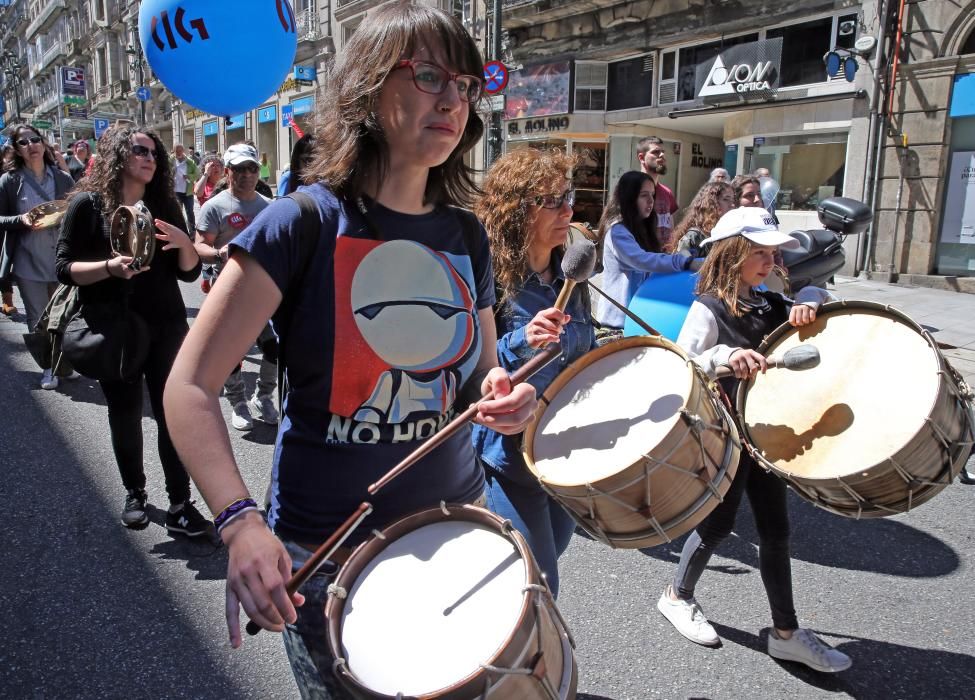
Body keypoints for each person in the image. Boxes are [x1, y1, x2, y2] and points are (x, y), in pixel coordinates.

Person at [163, 7, 537, 696]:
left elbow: (483, 370)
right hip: (329, 558)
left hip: (455, 528)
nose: (451, 98)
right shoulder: (298, 222)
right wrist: (238, 523)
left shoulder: (467, 235)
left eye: (465, 82)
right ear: (367, 87)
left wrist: (503, 394)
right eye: (427, 75)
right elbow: (187, 386)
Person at [658, 206, 852, 674]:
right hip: (726, 432)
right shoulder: (709, 307)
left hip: (767, 432)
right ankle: (677, 596)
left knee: (776, 530)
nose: (768, 263)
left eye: (772, 254)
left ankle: (786, 632)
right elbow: (685, 362)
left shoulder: (770, 301)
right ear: (732, 255)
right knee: (718, 525)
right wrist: (726, 355)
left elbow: (810, 298)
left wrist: (810, 297)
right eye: (759, 254)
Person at [55, 123, 209, 536]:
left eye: (154, 154)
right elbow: (64, 268)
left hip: (165, 326)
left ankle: (180, 503)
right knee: (124, 413)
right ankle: (135, 493)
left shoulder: (163, 205)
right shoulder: (88, 206)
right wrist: (108, 268)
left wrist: (185, 244)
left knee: (170, 415)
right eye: (141, 151)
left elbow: (190, 275)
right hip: (114, 326)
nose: (149, 159)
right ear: (118, 155)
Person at [472, 148, 594, 598]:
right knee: (540, 583)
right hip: (513, 454)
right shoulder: (493, 280)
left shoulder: (571, 280)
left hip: (565, 448)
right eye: (552, 200)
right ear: (516, 209)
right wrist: (523, 338)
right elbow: (476, 365)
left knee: (543, 556)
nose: (568, 210)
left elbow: (584, 351)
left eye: (568, 196)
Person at [194, 143, 277, 430]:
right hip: (227, 290)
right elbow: (199, 247)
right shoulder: (214, 207)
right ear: (228, 172)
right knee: (232, 352)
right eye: (239, 169)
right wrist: (218, 253)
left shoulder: (269, 207)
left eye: (251, 168)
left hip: (262, 291)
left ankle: (263, 396)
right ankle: (238, 402)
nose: (246, 174)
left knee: (274, 346)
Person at [0, 124, 77, 388]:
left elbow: (77, 211)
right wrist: (20, 219)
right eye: (23, 142)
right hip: (26, 259)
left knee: (64, 315)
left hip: (60, 258)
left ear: (43, 144)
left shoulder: (62, 178)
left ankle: (63, 361)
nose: (31, 145)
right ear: (17, 150)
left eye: (35, 140)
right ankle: (48, 367)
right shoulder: (9, 181)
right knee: (37, 317)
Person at [595, 170, 700, 336]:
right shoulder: (617, 231)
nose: (651, 201)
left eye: (652, 194)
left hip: (640, 319)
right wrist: (684, 262)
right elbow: (643, 260)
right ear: (629, 197)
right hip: (616, 326)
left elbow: (658, 261)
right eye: (644, 195)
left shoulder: (641, 227)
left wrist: (686, 256)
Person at [673, 181, 735, 258]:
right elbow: (682, 264)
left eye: (733, 200)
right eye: (726, 199)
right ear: (711, 203)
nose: (732, 205)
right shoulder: (694, 237)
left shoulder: (731, 233)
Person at [636, 136, 679, 246]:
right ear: (641, 158)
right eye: (656, 152)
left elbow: (671, 228)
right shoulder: (632, 190)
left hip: (664, 258)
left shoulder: (667, 192)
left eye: (663, 152)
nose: (662, 155)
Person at [170, 143, 199, 231]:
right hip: (175, 191)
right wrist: (172, 172)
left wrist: (189, 176)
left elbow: (197, 174)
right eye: (177, 151)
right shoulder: (170, 161)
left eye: (180, 151)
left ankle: (192, 231)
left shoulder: (190, 162)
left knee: (190, 212)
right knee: (178, 213)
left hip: (188, 192)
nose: (179, 153)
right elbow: (165, 173)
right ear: (174, 151)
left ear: (183, 151)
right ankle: (180, 230)